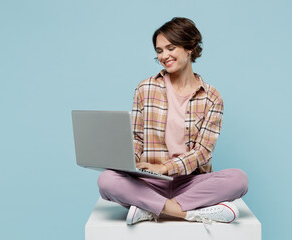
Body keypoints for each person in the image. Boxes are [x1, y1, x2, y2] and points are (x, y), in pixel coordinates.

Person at [97, 17, 248, 226]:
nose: (164, 56)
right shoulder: (145, 88)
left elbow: (203, 152)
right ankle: (187, 213)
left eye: (171, 48)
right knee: (107, 180)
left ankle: (150, 209)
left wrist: (165, 168)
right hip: (148, 182)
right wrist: (127, 162)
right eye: (159, 51)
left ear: (189, 47)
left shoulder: (212, 97)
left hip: (190, 183)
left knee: (238, 179)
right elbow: (137, 138)